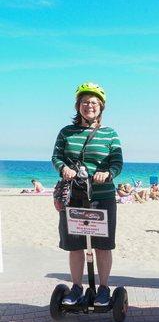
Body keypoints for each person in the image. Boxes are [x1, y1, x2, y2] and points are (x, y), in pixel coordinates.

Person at [52, 82, 123, 307]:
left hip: (102, 196)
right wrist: (64, 169)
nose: (89, 106)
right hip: (74, 194)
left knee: (103, 244)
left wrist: (107, 173)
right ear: (78, 106)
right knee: (75, 244)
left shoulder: (110, 134)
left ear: (101, 107)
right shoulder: (66, 132)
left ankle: (103, 288)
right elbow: (56, 157)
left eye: (94, 102)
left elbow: (117, 162)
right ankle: (76, 287)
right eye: (84, 102)